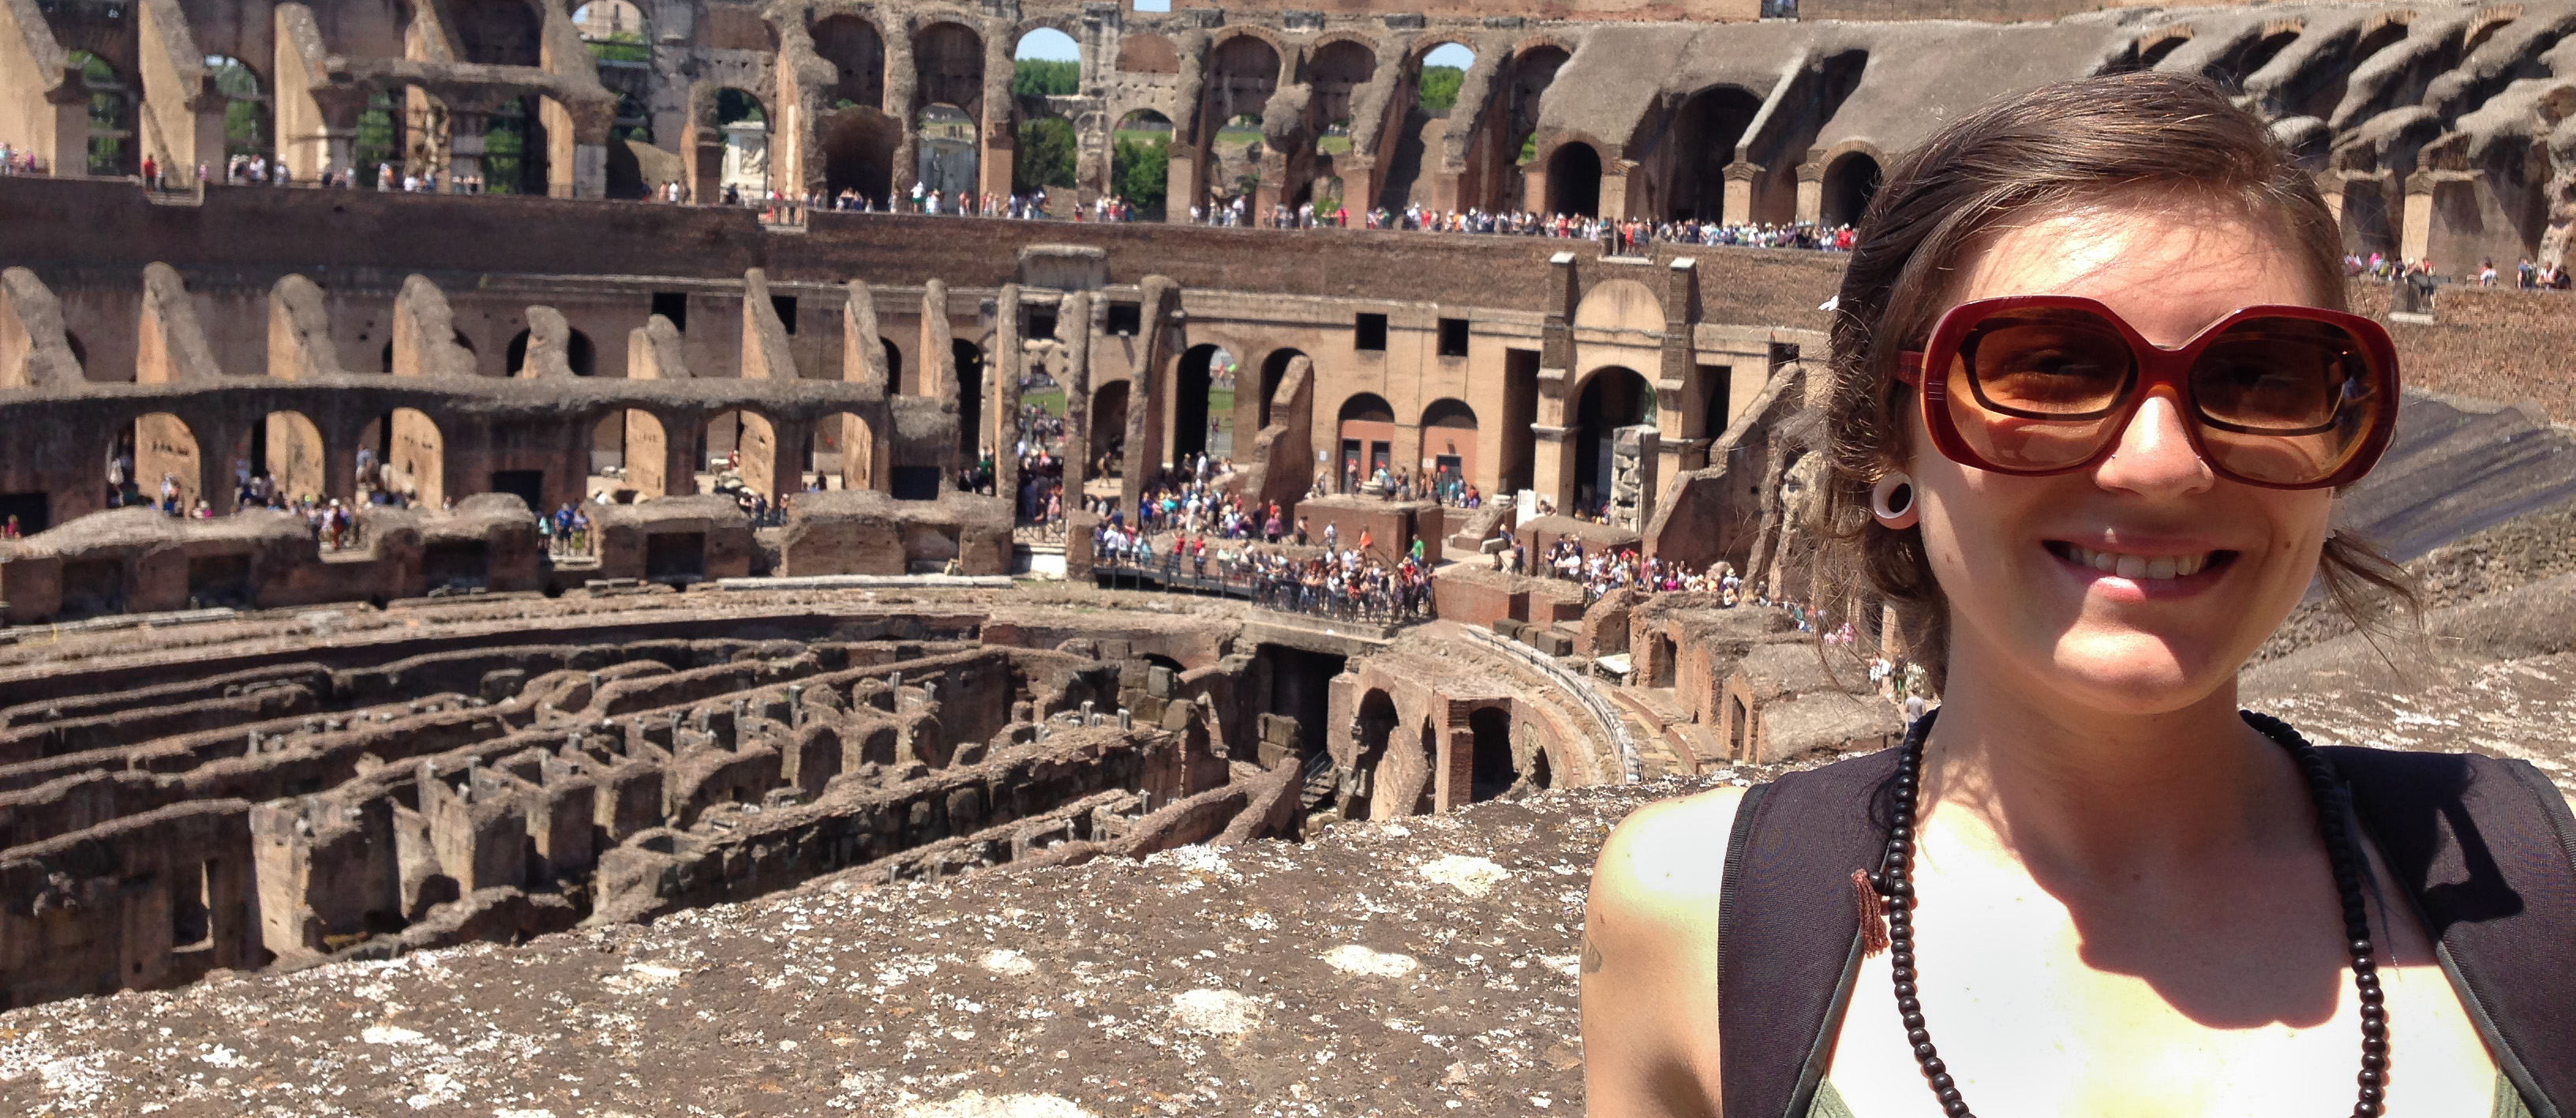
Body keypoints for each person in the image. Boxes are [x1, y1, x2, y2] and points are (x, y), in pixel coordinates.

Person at [1582, 73, 2571, 1118]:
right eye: (2047, 367)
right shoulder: (1693, 917)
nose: (2162, 462)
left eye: (2260, 376)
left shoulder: (2543, 898)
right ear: (1889, 438)